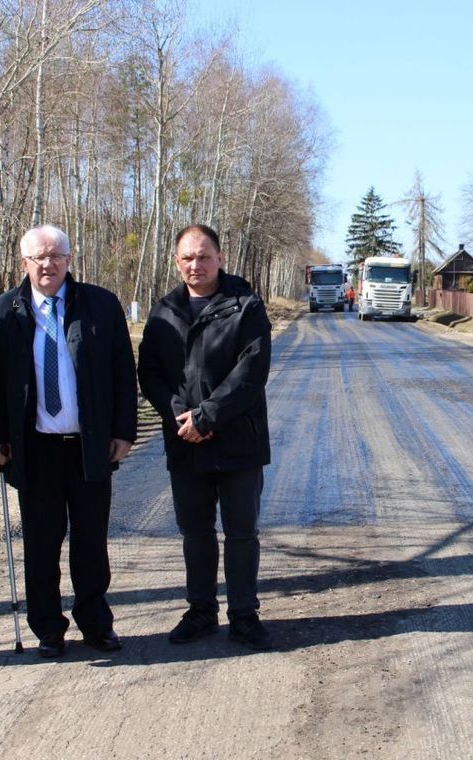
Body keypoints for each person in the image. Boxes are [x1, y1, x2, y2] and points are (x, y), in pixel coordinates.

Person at [0, 224, 136, 658]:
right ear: (24, 263)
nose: (48, 264)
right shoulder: (0, 313)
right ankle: (48, 628)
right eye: (39, 257)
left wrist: (123, 431)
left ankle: (96, 623)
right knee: (41, 545)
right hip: (33, 450)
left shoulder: (100, 305)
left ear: (69, 259)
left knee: (91, 543)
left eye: (56, 256)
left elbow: (123, 370)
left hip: (89, 445)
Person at [138, 224, 274, 650]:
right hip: (185, 440)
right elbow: (149, 373)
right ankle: (200, 611)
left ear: (220, 257)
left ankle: (244, 615)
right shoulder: (163, 312)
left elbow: (251, 373)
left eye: (203, 256)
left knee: (241, 532)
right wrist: (179, 414)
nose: (195, 264)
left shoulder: (246, 306)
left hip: (238, 440)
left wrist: (207, 416)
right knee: (194, 532)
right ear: (176, 262)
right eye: (187, 257)